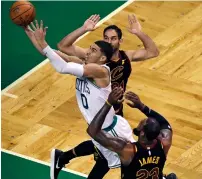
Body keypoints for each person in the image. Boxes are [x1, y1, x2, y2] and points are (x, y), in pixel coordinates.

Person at [50, 14, 159, 179]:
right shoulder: (94, 58)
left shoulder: (126, 57)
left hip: (116, 112)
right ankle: (63, 157)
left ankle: (63, 157)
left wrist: (139, 32)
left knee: (104, 151)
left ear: (120, 41)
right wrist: (84, 29)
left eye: (113, 38)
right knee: (109, 157)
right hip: (101, 111)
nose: (109, 42)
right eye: (106, 38)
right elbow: (63, 46)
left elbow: (153, 52)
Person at [25, 20, 135, 179]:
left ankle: (161, 176)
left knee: (133, 161)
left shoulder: (100, 71)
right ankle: (62, 158)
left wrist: (43, 42)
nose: (88, 52)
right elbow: (51, 54)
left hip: (111, 130)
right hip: (98, 129)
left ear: (103, 58)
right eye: (89, 48)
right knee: (110, 162)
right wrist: (30, 34)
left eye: (93, 50)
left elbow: (62, 68)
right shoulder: (84, 64)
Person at [87, 87, 177, 179]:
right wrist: (142, 107)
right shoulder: (164, 143)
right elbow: (164, 123)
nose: (143, 119)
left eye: (143, 121)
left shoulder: (128, 149)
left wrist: (109, 103)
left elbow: (92, 131)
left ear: (142, 133)